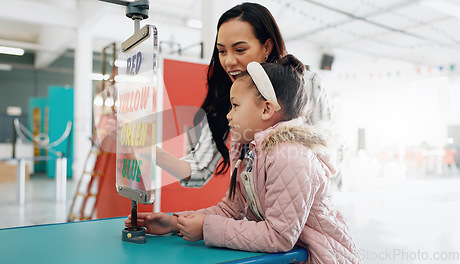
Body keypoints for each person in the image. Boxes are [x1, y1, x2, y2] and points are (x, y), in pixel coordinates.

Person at [126, 56, 361, 263]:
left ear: (267, 110)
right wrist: (177, 223)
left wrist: (206, 228)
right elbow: (232, 209)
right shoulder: (252, 151)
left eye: (235, 105)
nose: (229, 114)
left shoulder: (290, 156)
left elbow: (279, 237)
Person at [157, 2, 335, 188]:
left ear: (267, 47)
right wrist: (149, 153)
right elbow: (199, 170)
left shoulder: (307, 83)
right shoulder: (230, 95)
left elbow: (327, 154)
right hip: (252, 211)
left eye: (240, 50)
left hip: (301, 207)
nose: (229, 61)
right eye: (222, 51)